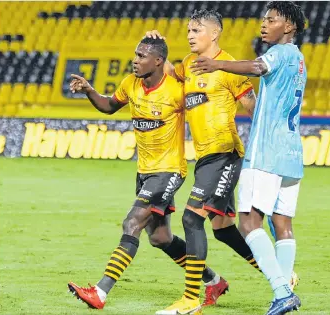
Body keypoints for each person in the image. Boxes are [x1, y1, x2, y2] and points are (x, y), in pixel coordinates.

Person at [66, 37, 219, 312]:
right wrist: (89, 90)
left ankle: (100, 292)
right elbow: (109, 105)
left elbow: (205, 108)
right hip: (145, 172)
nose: (135, 60)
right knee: (161, 238)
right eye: (135, 55)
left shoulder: (176, 90)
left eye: (142, 55)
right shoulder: (130, 83)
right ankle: (213, 281)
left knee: (131, 223)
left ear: (158, 61)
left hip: (169, 170)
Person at [190, 2, 306, 314]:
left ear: (290, 27)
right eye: (264, 19)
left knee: (249, 221)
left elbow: (257, 68)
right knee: (282, 224)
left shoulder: (280, 53)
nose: (264, 25)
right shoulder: (299, 59)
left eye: (272, 20)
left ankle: (282, 291)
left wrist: (219, 66)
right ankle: (282, 293)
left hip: (266, 151)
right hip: (292, 153)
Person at [146, 9, 264, 315]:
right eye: (188, 30)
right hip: (205, 159)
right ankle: (277, 275)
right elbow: (168, 72)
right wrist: (155, 44)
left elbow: (255, 109)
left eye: (196, 30)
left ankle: (189, 300)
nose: (190, 35)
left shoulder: (229, 68)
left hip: (225, 154)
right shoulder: (187, 65)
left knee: (190, 219)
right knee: (223, 228)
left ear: (214, 34)